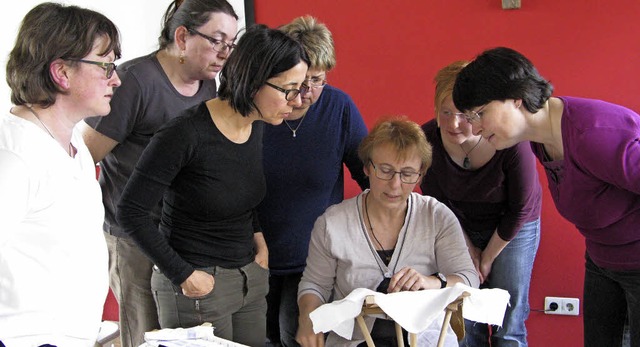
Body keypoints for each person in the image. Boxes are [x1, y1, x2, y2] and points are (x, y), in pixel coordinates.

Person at [115, 24, 309, 346]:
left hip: (249, 277)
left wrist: (259, 243)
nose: (297, 100)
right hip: (197, 286)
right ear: (254, 81)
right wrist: (184, 275)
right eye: (289, 89)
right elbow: (130, 211)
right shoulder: (183, 133)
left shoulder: (256, 124)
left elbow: (241, 194)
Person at [452, 46, 640, 347]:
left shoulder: (592, 134)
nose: (473, 127)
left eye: (479, 114)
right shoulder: (542, 140)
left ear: (515, 98)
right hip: (602, 261)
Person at [78, 1, 238, 345]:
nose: (224, 54)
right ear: (182, 36)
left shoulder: (208, 85)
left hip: (181, 234)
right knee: (144, 334)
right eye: (217, 41)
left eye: (231, 44)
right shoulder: (135, 82)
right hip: (134, 237)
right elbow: (83, 158)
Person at [296, 117, 480, 347]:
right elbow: (315, 285)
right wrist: (307, 319)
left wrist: (431, 282)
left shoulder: (436, 217)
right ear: (367, 167)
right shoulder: (333, 224)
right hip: (355, 341)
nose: (395, 185)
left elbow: (468, 280)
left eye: (407, 174)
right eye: (385, 171)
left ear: (421, 174)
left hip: (427, 340)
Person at [0, 3, 121, 346]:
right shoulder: (14, 156)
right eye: (106, 65)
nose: (116, 78)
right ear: (61, 72)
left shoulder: (75, 146)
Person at [258, 16, 369, 347]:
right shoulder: (258, 108)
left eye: (316, 81)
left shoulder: (339, 109)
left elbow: (371, 177)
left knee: (297, 337)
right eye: (297, 82)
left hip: (313, 262)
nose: (304, 94)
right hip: (254, 256)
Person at [421, 61, 542, 346]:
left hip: (514, 228)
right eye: (445, 112)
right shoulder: (426, 139)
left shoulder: (511, 142)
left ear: (480, 113)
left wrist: (486, 257)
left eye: (463, 115)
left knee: (508, 318)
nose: (452, 124)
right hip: (458, 225)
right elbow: (438, 204)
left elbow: (520, 208)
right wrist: (469, 251)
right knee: (464, 314)